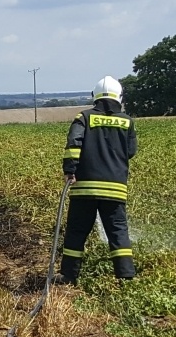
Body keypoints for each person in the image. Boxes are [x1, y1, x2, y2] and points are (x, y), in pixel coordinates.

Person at [58, 76, 137, 284]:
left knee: (77, 231)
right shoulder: (127, 121)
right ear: (119, 96)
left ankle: (69, 275)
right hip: (116, 188)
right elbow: (131, 151)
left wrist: (70, 170)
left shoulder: (83, 117)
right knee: (118, 231)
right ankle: (126, 275)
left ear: (95, 97)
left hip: (84, 188)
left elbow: (74, 144)